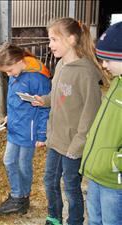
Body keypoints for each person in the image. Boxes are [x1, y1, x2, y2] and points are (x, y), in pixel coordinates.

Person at [32, 18, 105, 225]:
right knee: (50, 181)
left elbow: (90, 114)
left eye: (54, 39)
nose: (50, 44)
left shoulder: (85, 74)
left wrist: (77, 146)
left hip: (73, 144)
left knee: (71, 186)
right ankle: (54, 217)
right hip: (56, 140)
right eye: (50, 39)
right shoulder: (61, 64)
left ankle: (75, 221)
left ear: (71, 39)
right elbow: (60, 96)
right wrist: (44, 101)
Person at [0, 42, 51, 215]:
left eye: (9, 70)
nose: (9, 75)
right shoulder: (15, 74)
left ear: (19, 60)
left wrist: (42, 134)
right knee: (9, 161)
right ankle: (18, 195)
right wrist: (9, 115)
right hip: (15, 126)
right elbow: (14, 98)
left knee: (23, 164)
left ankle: (21, 198)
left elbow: (45, 107)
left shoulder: (37, 78)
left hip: (29, 131)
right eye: (6, 73)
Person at [80, 21, 122, 225]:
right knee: (95, 220)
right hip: (97, 173)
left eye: (107, 60)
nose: (103, 65)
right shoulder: (117, 83)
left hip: (114, 180)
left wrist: (114, 162)